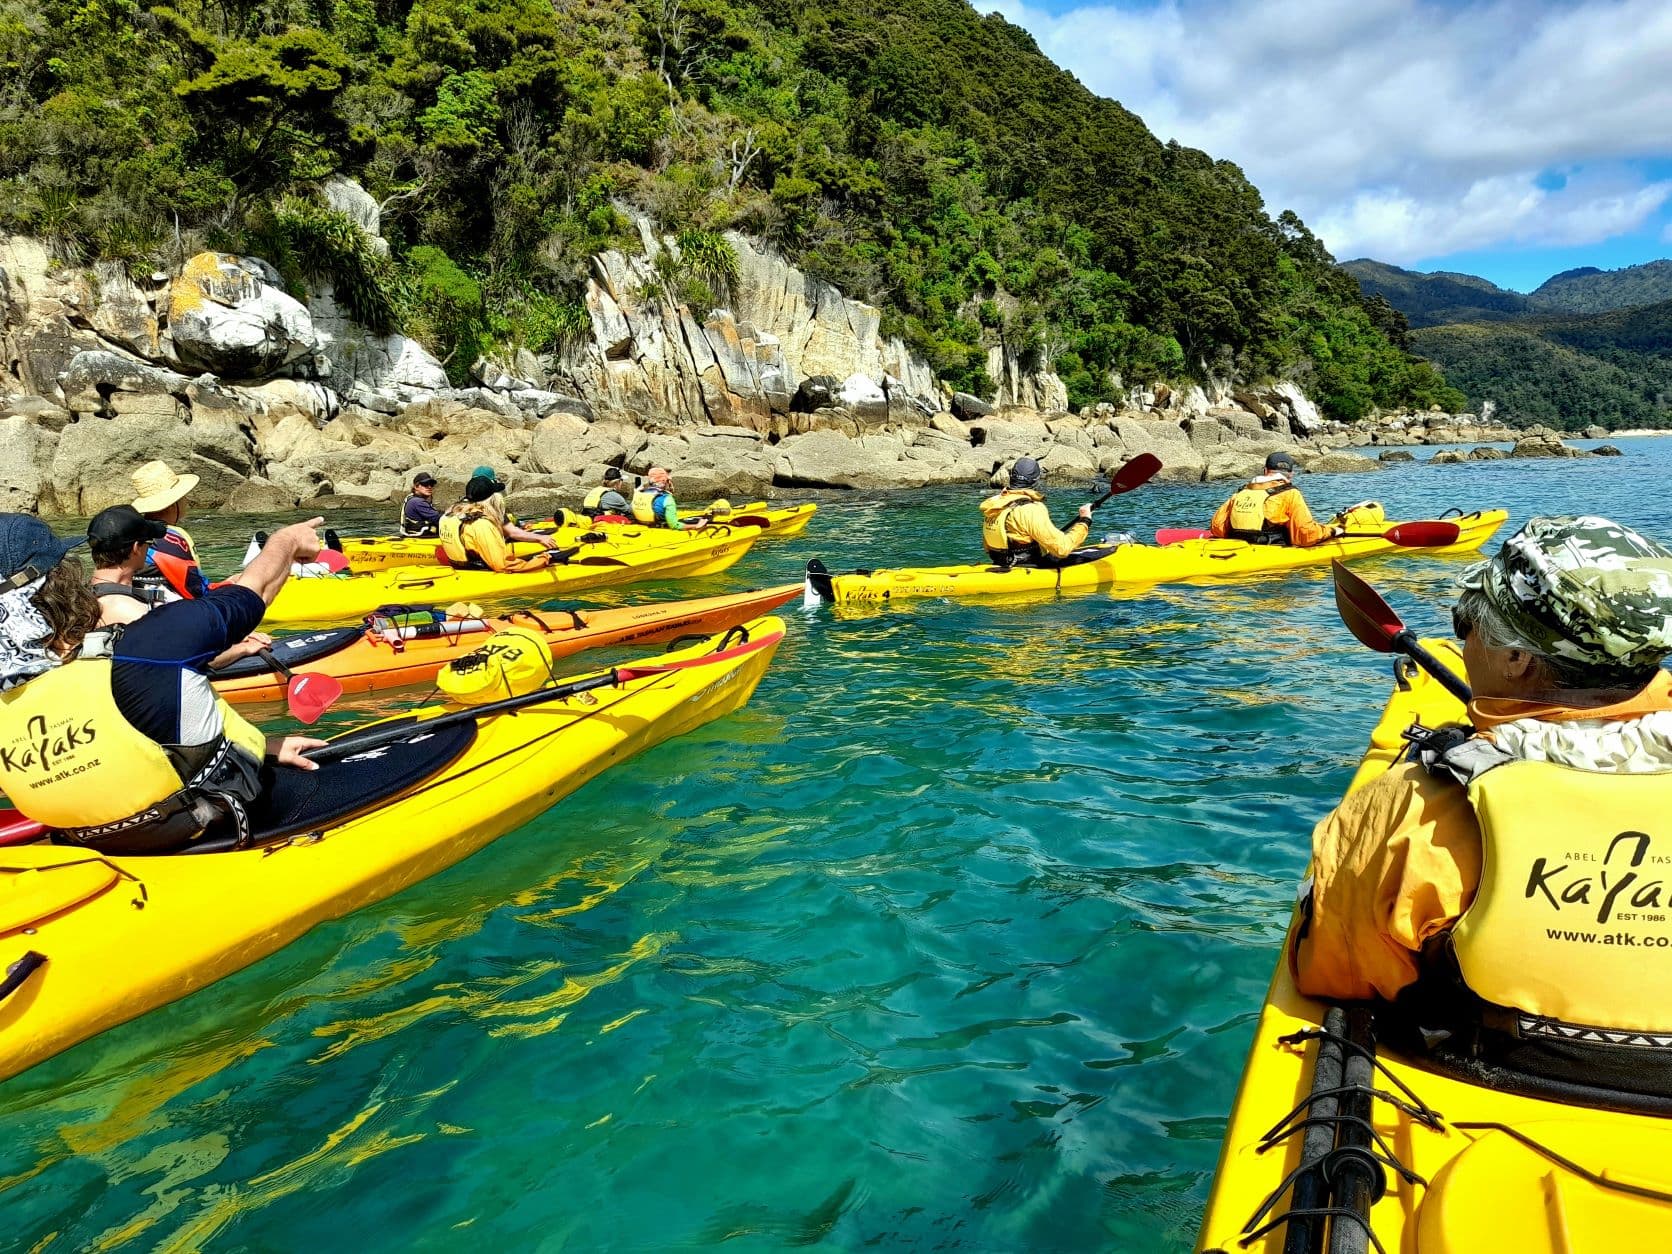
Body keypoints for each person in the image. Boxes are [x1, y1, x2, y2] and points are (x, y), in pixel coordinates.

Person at [1293, 516, 1672, 1095]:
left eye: (1466, 623)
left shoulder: (1415, 808)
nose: (1463, 642)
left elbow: (1335, 969)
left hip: (1501, 1089)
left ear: (1517, 660)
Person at [0, 513, 330, 853]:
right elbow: (255, 589)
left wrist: (259, 745)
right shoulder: (148, 643)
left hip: (82, 842)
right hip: (202, 824)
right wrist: (286, 541)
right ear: (61, 581)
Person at [87, 504, 275, 666]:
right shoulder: (129, 610)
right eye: (148, 543)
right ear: (136, 548)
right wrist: (242, 648)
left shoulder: (85, 593)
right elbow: (199, 657)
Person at [979, 457, 1093, 567]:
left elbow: (987, 547)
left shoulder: (995, 504)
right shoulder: (1032, 509)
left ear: (1011, 477)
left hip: (1001, 563)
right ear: (1036, 481)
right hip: (1027, 567)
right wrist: (1085, 520)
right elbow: (1062, 549)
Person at [1210, 451, 1337, 547]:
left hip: (1238, 547)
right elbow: (1306, 535)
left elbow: (1217, 528)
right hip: (1271, 552)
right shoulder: (1290, 493)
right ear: (1291, 475)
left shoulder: (1241, 492)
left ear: (1265, 471)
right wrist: (1332, 530)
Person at [438, 473, 561, 572]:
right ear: (492, 499)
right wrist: (543, 559)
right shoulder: (482, 524)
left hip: (460, 569)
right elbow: (502, 565)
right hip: (479, 572)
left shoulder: (450, 514)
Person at [130, 458, 210, 601]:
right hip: (171, 608)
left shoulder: (131, 532)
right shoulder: (173, 537)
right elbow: (194, 587)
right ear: (173, 505)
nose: (186, 501)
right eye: (183, 496)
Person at [631, 467, 705, 530]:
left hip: (643, 527)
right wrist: (696, 526)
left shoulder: (638, 493)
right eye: (668, 480)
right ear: (665, 482)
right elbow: (674, 525)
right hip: (660, 530)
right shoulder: (667, 498)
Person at [400, 472, 442, 537]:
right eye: (425, 484)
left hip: (412, 535)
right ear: (416, 487)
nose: (429, 487)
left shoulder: (411, 498)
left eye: (431, 484)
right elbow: (439, 519)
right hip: (421, 538)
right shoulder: (417, 502)